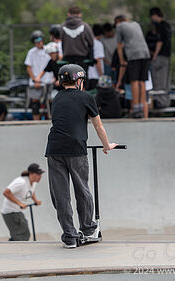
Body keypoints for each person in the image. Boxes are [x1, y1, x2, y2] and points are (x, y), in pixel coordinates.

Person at [45, 64, 116, 248]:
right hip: (75, 149)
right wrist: (106, 145)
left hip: (54, 149)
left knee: (60, 194)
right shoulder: (86, 97)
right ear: (78, 80)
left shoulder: (57, 97)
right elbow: (98, 126)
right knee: (82, 190)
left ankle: (69, 236)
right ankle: (88, 229)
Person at [115, 15, 150, 118]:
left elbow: (119, 46)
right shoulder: (136, 24)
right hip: (145, 53)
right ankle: (142, 107)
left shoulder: (120, 26)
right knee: (142, 81)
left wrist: (122, 60)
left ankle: (135, 108)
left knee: (134, 81)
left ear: (117, 21)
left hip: (134, 55)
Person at [0, 163, 43, 241]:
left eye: (40, 174)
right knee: (21, 235)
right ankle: (11, 249)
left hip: (17, 211)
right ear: (31, 174)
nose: (40, 176)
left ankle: (12, 247)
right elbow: (6, 192)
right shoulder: (21, 182)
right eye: (38, 174)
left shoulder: (33, 183)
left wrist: (35, 200)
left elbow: (31, 191)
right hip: (10, 212)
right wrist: (19, 203)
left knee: (24, 234)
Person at [25, 30, 53, 120]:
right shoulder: (31, 52)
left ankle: (51, 119)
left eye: (40, 40)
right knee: (35, 101)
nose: (39, 43)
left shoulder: (48, 50)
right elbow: (28, 67)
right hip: (37, 81)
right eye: (36, 41)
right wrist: (34, 79)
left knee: (49, 100)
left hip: (48, 80)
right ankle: (35, 120)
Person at [150, 7, 172, 108]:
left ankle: (160, 102)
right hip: (166, 56)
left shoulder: (160, 26)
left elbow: (160, 41)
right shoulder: (167, 25)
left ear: (155, 15)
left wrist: (155, 55)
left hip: (160, 56)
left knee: (157, 80)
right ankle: (165, 101)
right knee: (165, 80)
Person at [60, 6, 94, 71]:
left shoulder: (62, 27)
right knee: (81, 80)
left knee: (69, 80)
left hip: (67, 60)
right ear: (80, 14)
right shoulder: (85, 26)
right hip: (83, 60)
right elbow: (91, 42)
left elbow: (61, 40)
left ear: (68, 14)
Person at [86, 24, 105, 91]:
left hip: (86, 74)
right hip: (95, 75)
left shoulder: (86, 42)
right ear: (101, 34)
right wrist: (101, 76)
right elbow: (97, 61)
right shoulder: (98, 44)